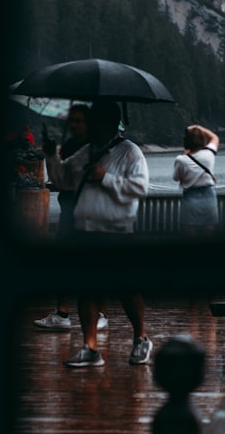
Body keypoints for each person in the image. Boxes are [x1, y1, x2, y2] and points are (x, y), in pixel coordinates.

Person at [43, 99, 152, 367]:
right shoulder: (87, 151)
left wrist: (106, 177)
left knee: (128, 289)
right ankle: (90, 347)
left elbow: (140, 188)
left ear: (108, 123)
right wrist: (51, 156)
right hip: (85, 231)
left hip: (117, 231)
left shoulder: (130, 152)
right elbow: (62, 180)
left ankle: (141, 338)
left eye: (96, 121)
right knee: (86, 290)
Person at [33, 104, 109, 332]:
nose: (74, 124)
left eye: (79, 120)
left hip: (91, 212)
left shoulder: (96, 148)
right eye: (72, 120)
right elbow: (60, 178)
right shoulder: (69, 145)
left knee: (96, 265)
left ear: (88, 123)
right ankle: (62, 312)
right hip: (69, 211)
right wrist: (51, 157)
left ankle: (100, 313)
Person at [173, 124, 220, 236]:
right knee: (209, 224)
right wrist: (198, 127)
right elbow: (215, 138)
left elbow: (176, 178)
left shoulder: (181, 160)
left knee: (190, 226)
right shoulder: (209, 154)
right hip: (208, 193)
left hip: (190, 195)